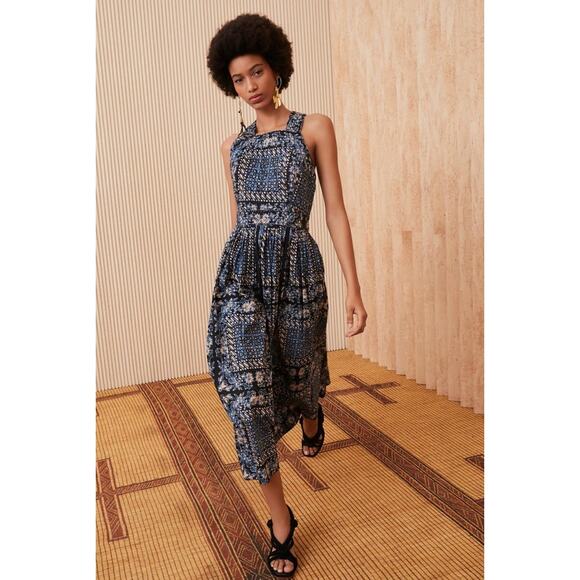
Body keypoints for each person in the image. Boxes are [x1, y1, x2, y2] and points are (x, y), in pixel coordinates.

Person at [205, 13, 367, 577]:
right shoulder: (231, 146)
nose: (250, 85)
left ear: (276, 68)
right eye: (238, 78)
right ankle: (280, 521)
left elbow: (335, 210)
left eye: (257, 72)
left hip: (297, 272)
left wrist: (354, 288)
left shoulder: (313, 128)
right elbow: (237, 221)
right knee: (248, 400)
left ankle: (311, 412)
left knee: (300, 377)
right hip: (243, 278)